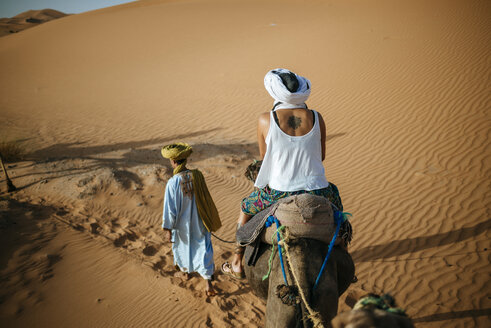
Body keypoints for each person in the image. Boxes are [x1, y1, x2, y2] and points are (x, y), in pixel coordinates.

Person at [221, 68, 347, 280]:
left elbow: (265, 159)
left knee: (245, 207)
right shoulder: (318, 117)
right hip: (319, 188)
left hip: (279, 190)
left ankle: (236, 262)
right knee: (339, 215)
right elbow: (321, 155)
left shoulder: (265, 119)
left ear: (275, 92)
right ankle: (344, 253)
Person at [161, 142, 222, 296]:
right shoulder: (198, 176)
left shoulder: (173, 182)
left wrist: (168, 229)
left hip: (182, 225)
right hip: (200, 221)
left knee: (182, 249)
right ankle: (208, 284)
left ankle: (186, 273)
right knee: (204, 249)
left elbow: (170, 209)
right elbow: (206, 199)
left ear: (173, 161)